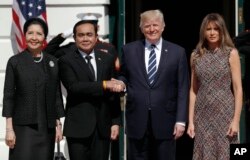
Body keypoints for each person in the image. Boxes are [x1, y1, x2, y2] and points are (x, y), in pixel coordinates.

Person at [117, 9, 189, 160]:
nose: (151, 29)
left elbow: (183, 88)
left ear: (163, 26)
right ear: (141, 28)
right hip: (137, 119)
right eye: (147, 26)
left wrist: (181, 121)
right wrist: (121, 83)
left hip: (166, 120)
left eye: (155, 25)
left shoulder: (178, 52)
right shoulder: (128, 50)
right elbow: (123, 75)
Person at [2, 17, 65, 160]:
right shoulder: (15, 62)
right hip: (23, 128)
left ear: (44, 37)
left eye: (39, 34)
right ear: (25, 35)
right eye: (30, 33)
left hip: (47, 129)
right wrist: (9, 129)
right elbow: (9, 96)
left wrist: (58, 125)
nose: (34, 37)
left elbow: (56, 95)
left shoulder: (52, 62)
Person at [58, 19, 121, 160]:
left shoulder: (107, 58)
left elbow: (113, 94)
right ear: (74, 38)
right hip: (78, 127)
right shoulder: (66, 60)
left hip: (103, 127)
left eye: (89, 34)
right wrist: (104, 85)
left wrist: (116, 122)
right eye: (81, 35)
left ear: (96, 37)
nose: (85, 38)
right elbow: (74, 87)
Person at [187, 13, 243, 159]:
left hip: (225, 114)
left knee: (227, 153)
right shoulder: (196, 55)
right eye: (208, 29)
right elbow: (193, 90)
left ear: (222, 31)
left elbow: (238, 89)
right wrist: (191, 121)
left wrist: (236, 121)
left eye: (216, 29)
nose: (212, 33)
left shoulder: (231, 53)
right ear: (203, 32)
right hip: (202, 115)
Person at [45, 13, 120, 71]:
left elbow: (115, 70)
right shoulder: (72, 47)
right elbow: (48, 52)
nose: (86, 38)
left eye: (91, 26)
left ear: (98, 28)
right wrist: (64, 35)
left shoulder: (108, 47)